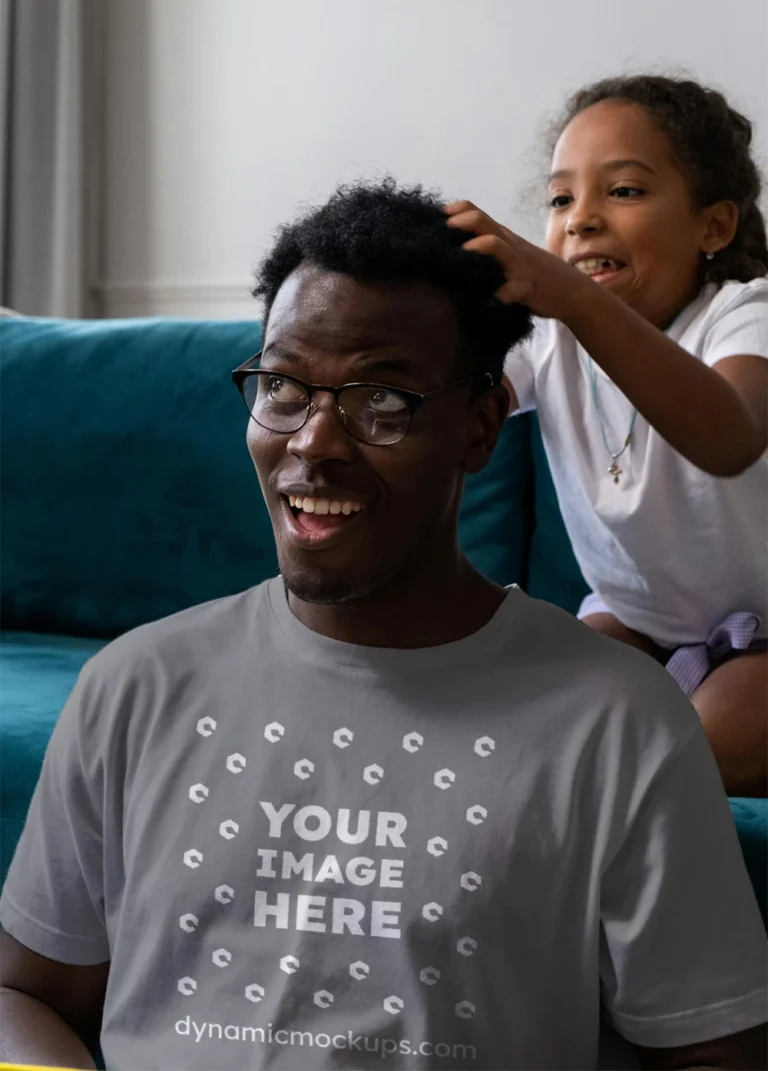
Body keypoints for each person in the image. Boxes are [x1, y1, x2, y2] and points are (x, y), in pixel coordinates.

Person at [2, 180, 768, 1071]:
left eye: (383, 401)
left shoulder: (618, 723)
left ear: (481, 427)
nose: (315, 441)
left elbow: (716, 1054)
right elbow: (23, 993)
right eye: (284, 386)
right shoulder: (132, 688)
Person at [446, 75, 768, 798]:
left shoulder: (745, 314)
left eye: (622, 191)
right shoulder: (547, 335)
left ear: (713, 227)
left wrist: (574, 299)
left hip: (766, 639)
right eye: (561, 199)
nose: (580, 219)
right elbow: (462, 406)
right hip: (638, 621)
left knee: (698, 752)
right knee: (527, 722)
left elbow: (732, 437)